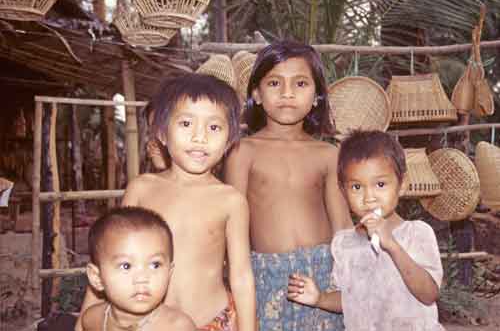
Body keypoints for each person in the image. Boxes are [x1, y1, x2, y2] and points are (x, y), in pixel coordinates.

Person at [76, 73, 256, 331]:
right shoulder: (141, 188)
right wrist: (82, 323)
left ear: (229, 140)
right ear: (161, 131)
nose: (200, 137)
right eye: (186, 123)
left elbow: (241, 277)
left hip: (215, 322)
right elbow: (108, 256)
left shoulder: (231, 201)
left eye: (214, 127)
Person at [224, 41, 351, 330]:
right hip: (265, 277)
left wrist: (350, 283)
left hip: (325, 278)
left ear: (317, 95)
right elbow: (233, 229)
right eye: (274, 83)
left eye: (301, 83)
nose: (287, 93)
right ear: (256, 93)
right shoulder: (243, 152)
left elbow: (342, 226)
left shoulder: (328, 154)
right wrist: (237, 289)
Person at [288, 130, 445, 331]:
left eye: (380, 184)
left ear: (402, 185)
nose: (369, 197)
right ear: (343, 191)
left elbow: (429, 294)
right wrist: (320, 298)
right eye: (356, 187)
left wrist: (393, 246)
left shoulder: (417, 234)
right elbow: (350, 300)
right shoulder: (343, 244)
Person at [81, 206, 196, 331]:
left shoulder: (178, 327)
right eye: (126, 266)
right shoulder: (93, 320)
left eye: (155, 265)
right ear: (97, 278)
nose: (142, 278)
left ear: (169, 273)